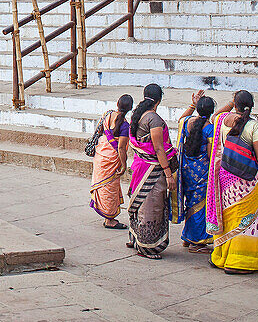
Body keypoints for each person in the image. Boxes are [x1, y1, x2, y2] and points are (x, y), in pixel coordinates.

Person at [206, 89, 258, 274]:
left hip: (225, 176)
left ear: (234, 104)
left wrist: (231, 103)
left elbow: (215, 115)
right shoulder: (254, 127)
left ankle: (221, 256)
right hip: (247, 181)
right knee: (245, 218)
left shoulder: (222, 120)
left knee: (228, 216)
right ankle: (240, 260)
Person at [126, 83, 177, 259]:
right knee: (151, 206)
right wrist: (168, 173)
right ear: (159, 99)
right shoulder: (154, 119)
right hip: (152, 169)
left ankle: (136, 238)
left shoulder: (138, 115)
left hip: (141, 165)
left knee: (141, 204)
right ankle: (147, 246)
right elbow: (158, 148)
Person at [174, 92, 216, 251]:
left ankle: (187, 236)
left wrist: (192, 105)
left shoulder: (187, 122)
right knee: (199, 206)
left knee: (190, 202)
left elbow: (181, 119)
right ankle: (197, 241)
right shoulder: (210, 129)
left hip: (187, 170)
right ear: (211, 112)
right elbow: (211, 154)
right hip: (202, 172)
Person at [90, 94, 133, 229]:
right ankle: (109, 219)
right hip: (112, 158)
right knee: (110, 188)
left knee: (105, 186)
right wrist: (124, 165)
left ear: (117, 104)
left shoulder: (107, 115)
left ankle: (108, 216)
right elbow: (121, 148)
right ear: (130, 108)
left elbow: (101, 131)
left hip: (101, 153)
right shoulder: (125, 125)